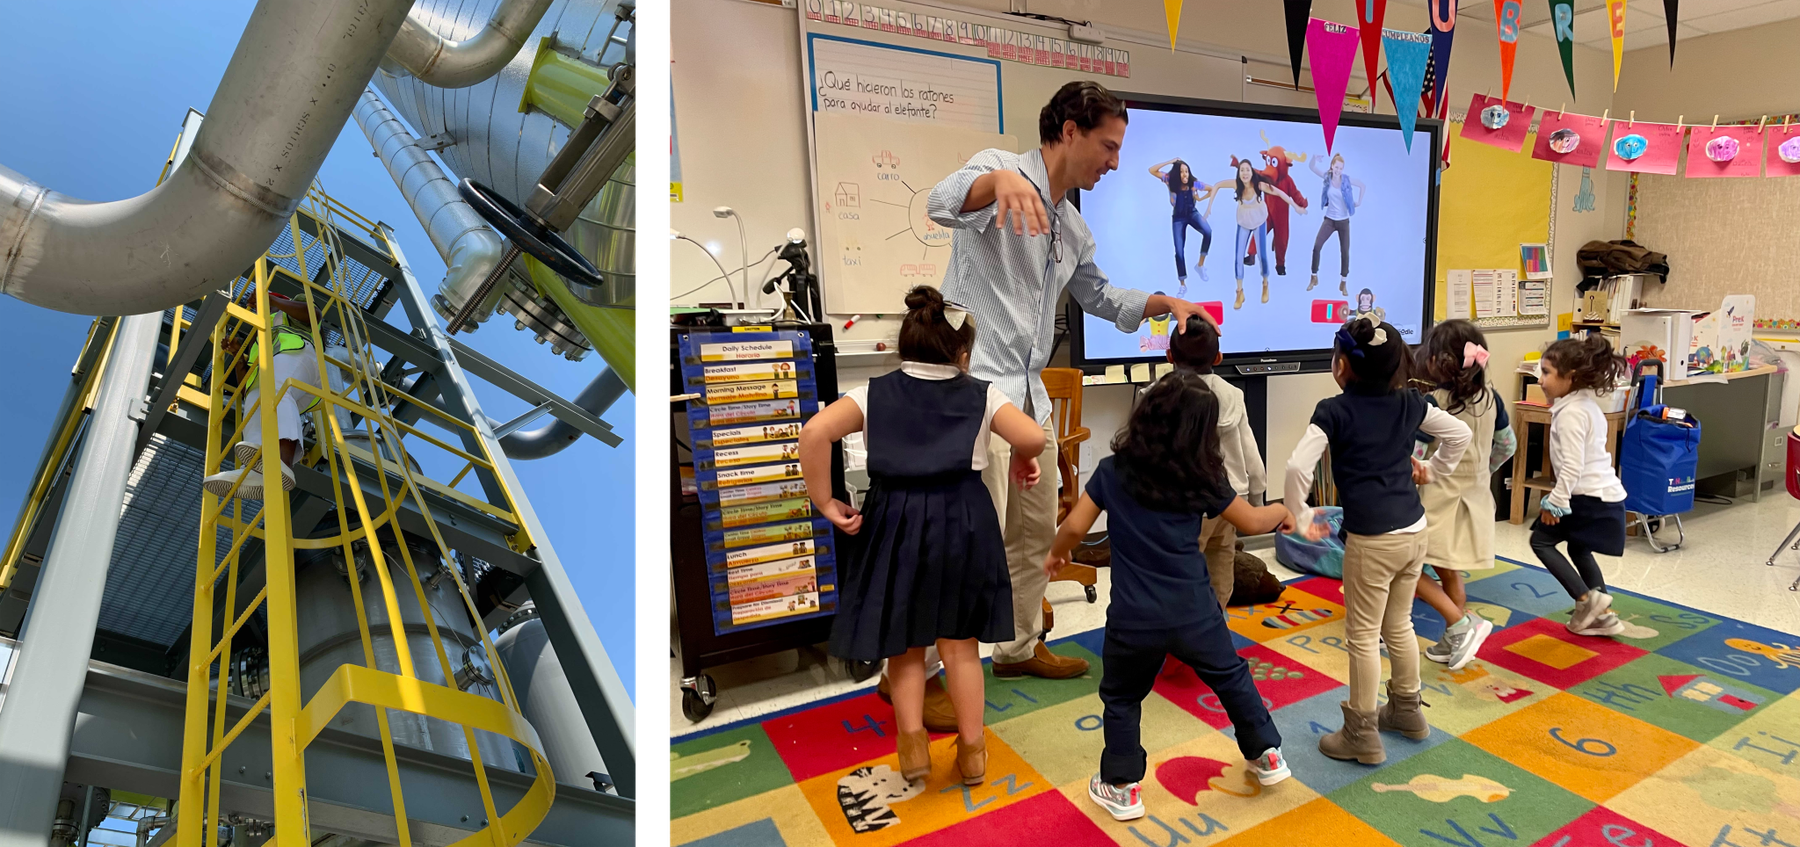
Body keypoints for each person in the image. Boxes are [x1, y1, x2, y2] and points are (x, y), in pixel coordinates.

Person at [904, 80, 1208, 728]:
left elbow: (1105, 298)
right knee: (963, 542)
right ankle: (921, 670)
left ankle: (1016, 648)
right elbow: (939, 202)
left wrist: (1168, 305)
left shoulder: (1072, 227)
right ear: (1069, 129)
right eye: (1109, 145)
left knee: (1033, 532)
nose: (1115, 161)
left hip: (1028, 392)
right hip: (971, 392)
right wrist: (996, 188)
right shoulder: (999, 169)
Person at [800, 286, 1047, 786]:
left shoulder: (872, 392)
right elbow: (1034, 436)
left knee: (905, 644)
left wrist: (825, 502)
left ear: (903, 347)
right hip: (963, 520)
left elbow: (813, 433)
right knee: (960, 644)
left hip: (895, 519)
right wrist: (1024, 456)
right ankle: (973, 753)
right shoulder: (981, 392)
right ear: (961, 354)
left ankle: (912, 751)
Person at [1046, 371, 1295, 822]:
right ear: (1201, 433)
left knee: (1122, 697)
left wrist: (1056, 555)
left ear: (1146, 416)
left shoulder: (1112, 471)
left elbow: (1077, 527)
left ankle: (1121, 788)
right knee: (1232, 677)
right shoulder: (1203, 476)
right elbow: (1256, 522)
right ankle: (1267, 754)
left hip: (1133, 617)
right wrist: (1284, 511)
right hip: (1195, 613)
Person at [1286, 314, 1471, 765]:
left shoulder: (1334, 410)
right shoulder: (1409, 402)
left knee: (1364, 635)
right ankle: (1407, 711)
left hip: (1372, 540)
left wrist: (1302, 514)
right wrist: (1432, 470)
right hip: (1413, 531)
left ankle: (1361, 734)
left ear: (1341, 365)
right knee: (1399, 624)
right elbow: (1459, 434)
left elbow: (1295, 469)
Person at [1410, 320, 1518, 671]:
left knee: (1404, 567)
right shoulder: (1492, 399)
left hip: (1437, 502)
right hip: (1474, 498)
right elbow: (1507, 445)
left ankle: (1460, 623)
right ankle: (1453, 637)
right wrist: (1482, 471)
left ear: (1435, 362)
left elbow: (1417, 454)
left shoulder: (1433, 403)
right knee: (1449, 572)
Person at [1162, 316, 1267, 610]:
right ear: (1218, 358)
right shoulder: (1234, 395)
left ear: (1169, 355)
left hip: (1187, 506)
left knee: (1182, 569)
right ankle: (1217, 621)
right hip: (1231, 502)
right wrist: (1255, 501)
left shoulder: (1160, 395)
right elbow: (1251, 454)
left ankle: (1183, 627)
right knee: (1222, 563)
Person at [1532, 335, 1631, 637]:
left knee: (1541, 541)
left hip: (1585, 496)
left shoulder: (1572, 414)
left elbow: (1573, 465)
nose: (1540, 380)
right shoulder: (1586, 407)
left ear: (1570, 377)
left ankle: (1587, 599)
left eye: (1546, 372)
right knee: (1578, 547)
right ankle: (1604, 614)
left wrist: (1556, 502)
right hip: (1602, 494)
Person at [202, 289, 321, 500]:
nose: (259, 308)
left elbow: (314, 315)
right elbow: (246, 387)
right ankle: (255, 472)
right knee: (254, 400)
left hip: (299, 358)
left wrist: (272, 299)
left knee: (276, 389)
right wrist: (238, 355)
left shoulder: (289, 310)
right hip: (278, 375)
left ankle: (282, 462)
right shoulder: (261, 339)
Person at [1217, 158, 1304, 310]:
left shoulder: (1259, 185)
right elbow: (1217, 185)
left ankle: (1265, 284)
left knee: (1262, 256)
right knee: (1238, 258)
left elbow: (1279, 193)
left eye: (1247, 170)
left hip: (1259, 221)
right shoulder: (1237, 185)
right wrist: (1208, 199)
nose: (1244, 173)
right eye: (1241, 170)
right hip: (1243, 222)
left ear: (1252, 172)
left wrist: (1296, 206)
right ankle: (1239, 292)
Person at [1149, 158, 1211, 297]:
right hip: (1178, 218)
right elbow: (1152, 170)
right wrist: (1171, 161)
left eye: (1186, 171)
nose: (1185, 175)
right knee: (1179, 251)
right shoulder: (1169, 181)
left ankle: (1200, 265)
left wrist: (1200, 199)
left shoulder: (1194, 184)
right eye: (1181, 172)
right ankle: (1182, 284)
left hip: (1192, 214)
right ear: (1177, 173)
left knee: (1208, 232)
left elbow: (1211, 189)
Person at [1308, 153, 1367, 296]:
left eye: (1340, 168)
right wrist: (1314, 159)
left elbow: (1362, 185)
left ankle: (1343, 282)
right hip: (1329, 220)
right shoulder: (1327, 177)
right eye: (1336, 167)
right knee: (1316, 247)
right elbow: (1312, 167)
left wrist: (1358, 202)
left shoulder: (1346, 180)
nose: (1338, 170)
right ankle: (1314, 277)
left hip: (1343, 222)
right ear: (1332, 166)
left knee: (1345, 252)